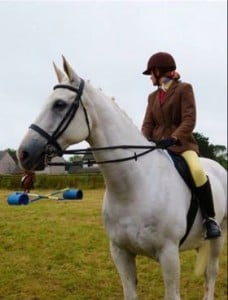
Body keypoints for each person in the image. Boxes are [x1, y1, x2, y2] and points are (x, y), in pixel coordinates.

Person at [141, 51, 221, 239]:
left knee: (198, 172)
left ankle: (210, 219)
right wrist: (142, 141)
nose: (150, 77)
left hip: (182, 145)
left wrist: (175, 138)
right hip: (157, 146)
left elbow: (189, 119)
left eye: (151, 73)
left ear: (159, 71)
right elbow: (147, 124)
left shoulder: (184, 89)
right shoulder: (152, 97)